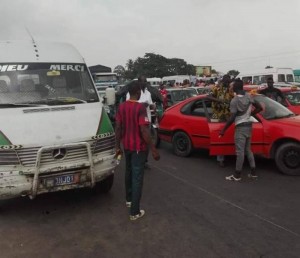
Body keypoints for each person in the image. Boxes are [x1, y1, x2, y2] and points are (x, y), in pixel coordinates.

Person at [115, 80, 160, 220]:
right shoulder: (140, 108)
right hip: (138, 148)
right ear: (138, 92)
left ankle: (129, 200)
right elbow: (144, 130)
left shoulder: (121, 107)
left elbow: (118, 128)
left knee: (128, 172)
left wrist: (117, 146)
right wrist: (153, 149)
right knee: (137, 177)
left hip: (126, 145)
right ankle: (135, 212)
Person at [219, 79, 263, 181]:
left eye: (231, 86)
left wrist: (223, 130)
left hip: (240, 127)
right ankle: (253, 172)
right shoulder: (249, 96)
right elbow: (259, 107)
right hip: (249, 126)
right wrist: (251, 114)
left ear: (235, 88)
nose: (230, 88)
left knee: (240, 152)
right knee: (248, 150)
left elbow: (233, 117)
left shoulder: (234, 101)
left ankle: (237, 175)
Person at [126, 76, 155, 169]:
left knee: (146, 142)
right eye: (142, 82)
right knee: (135, 142)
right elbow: (129, 104)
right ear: (138, 82)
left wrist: (152, 106)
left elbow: (150, 105)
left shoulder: (148, 93)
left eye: (145, 82)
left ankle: (144, 161)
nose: (144, 83)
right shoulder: (131, 93)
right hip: (135, 121)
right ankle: (134, 161)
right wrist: (143, 104)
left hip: (146, 120)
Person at [208, 74, 234, 167]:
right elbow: (209, 97)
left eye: (229, 82)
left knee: (229, 134)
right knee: (219, 136)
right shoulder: (217, 88)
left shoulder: (231, 89)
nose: (227, 83)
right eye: (226, 81)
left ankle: (229, 154)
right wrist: (219, 101)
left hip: (229, 115)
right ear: (223, 81)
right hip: (218, 115)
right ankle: (220, 159)